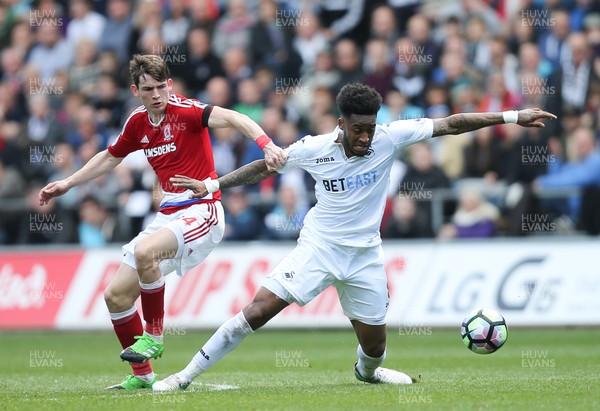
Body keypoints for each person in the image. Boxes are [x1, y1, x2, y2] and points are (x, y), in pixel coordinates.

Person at [154, 83, 556, 391]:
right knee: (257, 311)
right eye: (359, 129)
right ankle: (183, 377)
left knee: (375, 347)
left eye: (371, 128)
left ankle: (367, 374)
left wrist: (511, 116)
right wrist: (212, 186)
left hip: (364, 255)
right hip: (318, 248)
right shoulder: (313, 148)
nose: (366, 137)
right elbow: (264, 167)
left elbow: (451, 124)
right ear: (341, 124)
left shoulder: (390, 136)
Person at [38, 54, 286, 390]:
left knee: (144, 253)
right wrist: (67, 183)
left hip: (203, 209)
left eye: (161, 87)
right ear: (135, 90)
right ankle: (143, 376)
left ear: (169, 85)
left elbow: (235, 118)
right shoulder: (137, 122)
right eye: (148, 89)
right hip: (168, 214)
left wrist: (267, 145)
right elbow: (110, 157)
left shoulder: (186, 111)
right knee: (115, 297)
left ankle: (154, 335)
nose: (156, 94)